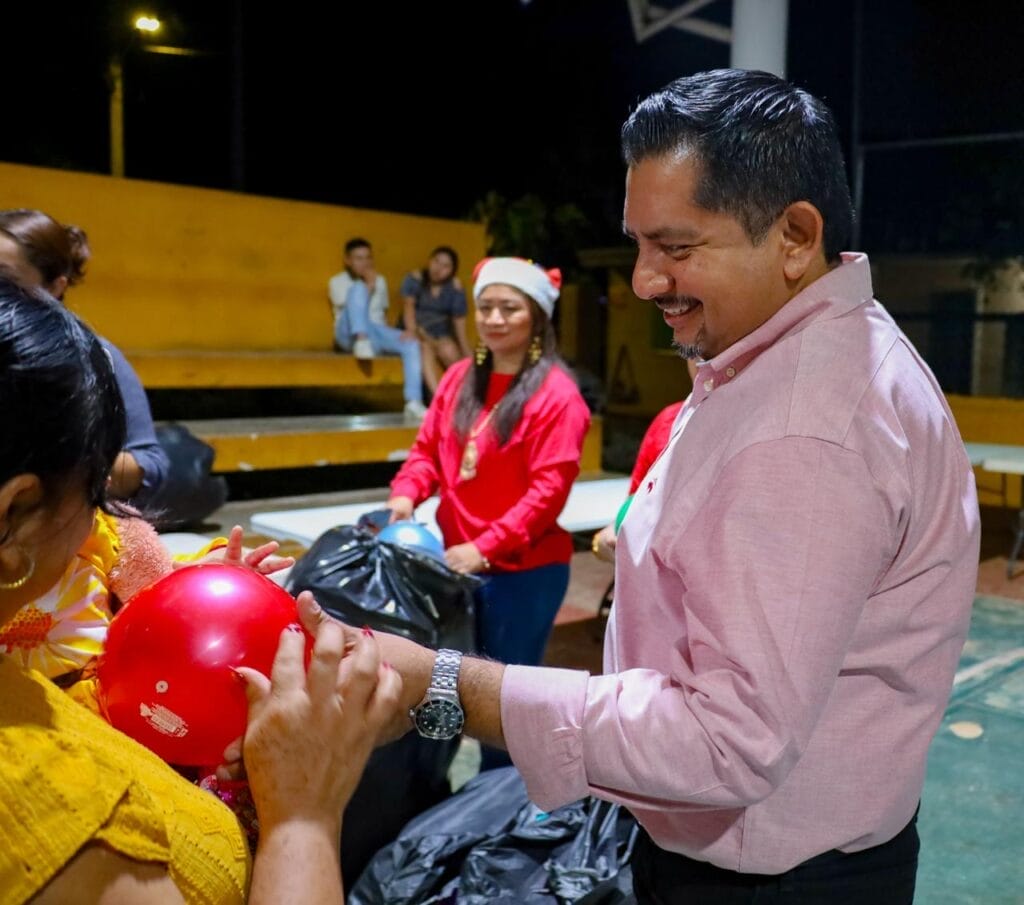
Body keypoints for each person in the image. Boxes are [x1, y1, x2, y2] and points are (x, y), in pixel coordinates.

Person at [312, 69, 980, 904]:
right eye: (639, 244)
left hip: (767, 880)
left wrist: (448, 685)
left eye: (677, 248)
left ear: (795, 235)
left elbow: (727, 740)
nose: (643, 280)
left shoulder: (805, 429)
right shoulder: (786, 354)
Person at [0, 277, 401, 903]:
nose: (105, 517)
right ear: (15, 509)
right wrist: (302, 816)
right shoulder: (47, 807)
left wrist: (205, 587)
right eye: (94, 492)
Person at [0, 208, 169, 508]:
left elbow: (151, 464)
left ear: (55, 287)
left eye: (5, 277)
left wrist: (68, 468)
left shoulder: (93, 357)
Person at [592, 359, 697, 563]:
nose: (703, 361)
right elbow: (635, 505)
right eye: (694, 352)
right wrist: (608, 538)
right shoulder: (668, 421)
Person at [328, 237, 427, 421]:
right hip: (348, 334)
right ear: (348, 260)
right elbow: (351, 311)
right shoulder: (337, 282)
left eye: (368, 258)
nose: (364, 263)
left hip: (374, 334)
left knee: (411, 343)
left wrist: (393, 337)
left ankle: (413, 402)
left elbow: (381, 315)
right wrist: (369, 286)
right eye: (358, 258)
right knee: (358, 289)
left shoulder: (381, 281)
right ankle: (361, 339)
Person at [398, 246, 471, 395]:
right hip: (417, 331)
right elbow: (408, 307)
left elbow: (459, 325)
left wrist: (468, 354)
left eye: (445, 266)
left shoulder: (454, 288)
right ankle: (439, 397)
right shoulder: (415, 279)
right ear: (430, 261)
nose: (438, 269)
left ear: (452, 271)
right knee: (425, 349)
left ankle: (465, 395)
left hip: (440, 335)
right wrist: (412, 330)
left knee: (448, 349)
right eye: (436, 261)